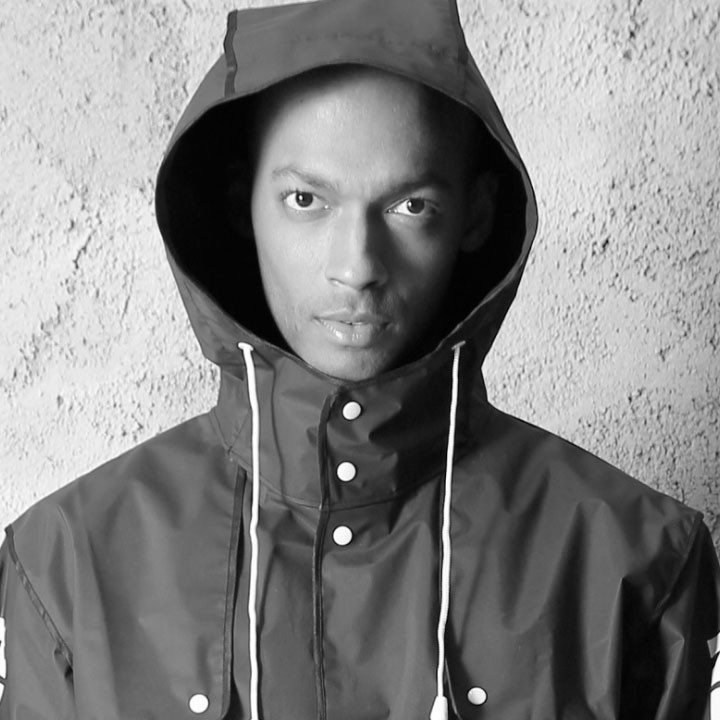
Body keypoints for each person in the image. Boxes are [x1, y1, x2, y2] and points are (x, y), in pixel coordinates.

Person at [1, 0, 718, 717]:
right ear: (241, 206)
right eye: (306, 199)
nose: (357, 267)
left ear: (475, 215)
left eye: (411, 206)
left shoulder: (639, 562)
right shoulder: (65, 564)